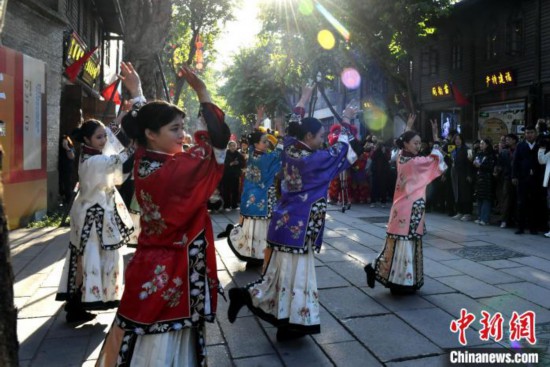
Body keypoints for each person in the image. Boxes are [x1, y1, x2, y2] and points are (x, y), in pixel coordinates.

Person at [95, 64, 230, 366]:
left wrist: (138, 93)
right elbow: (217, 143)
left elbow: (144, 126)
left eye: (182, 128)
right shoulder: (176, 170)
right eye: (176, 129)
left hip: (150, 264)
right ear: (151, 135)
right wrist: (203, 93)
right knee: (168, 341)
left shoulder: (146, 159)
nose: (184, 136)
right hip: (176, 268)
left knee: (139, 333)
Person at [226, 86, 357, 342]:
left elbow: (294, 124)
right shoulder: (313, 160)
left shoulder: (289, 148)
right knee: (296, 277)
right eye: (320, 136)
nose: (322, 141)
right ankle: (291, 321)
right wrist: (347, 120)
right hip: (300, 227)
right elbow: (341, 150)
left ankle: (281, 317)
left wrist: (303, 100)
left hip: (283, 223)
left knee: (280, 275)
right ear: (309, 136)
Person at [55, 64, 138, 323]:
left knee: (84, 258)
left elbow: (114, 139)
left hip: (90, 213)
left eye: (104, 136)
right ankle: (81, 302)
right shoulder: (95, 162)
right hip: (94, 217)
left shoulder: (92, 154)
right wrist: (137, 145)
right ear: (89, 140)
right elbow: (121, 160)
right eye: (100, 137)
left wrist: (123, 119)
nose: (105, 140)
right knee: (89, 258)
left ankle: (77, 304)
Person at [364, 117, 446, 294]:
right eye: (415, 143)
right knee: (405, 245)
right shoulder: (415, 162)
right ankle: (401, 281)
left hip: (401, 208)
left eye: (419, 143)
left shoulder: (402, 157)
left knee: (399, 245)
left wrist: (408, 129)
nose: (418, 146)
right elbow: (435, 159)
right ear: (406, 145)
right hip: (410, 210)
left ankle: (396, 278)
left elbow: (412, 149)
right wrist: (436, 138)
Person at [226, 123, 283, 266]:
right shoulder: (265, 158)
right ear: (256, 144)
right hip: (263, 197)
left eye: (267, 141)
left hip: (251, 198)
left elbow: (253, 137)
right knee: (262, 225)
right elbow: (279, 152)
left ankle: (251, 253)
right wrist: (280, 134)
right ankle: (260, 254)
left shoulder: (251, 153)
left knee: (252, 225)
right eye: (264, 141)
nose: (267, 143)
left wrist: (257, 122)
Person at [512, 125, 546, 235]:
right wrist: (514, 176)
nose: (529, 135)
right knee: (521, 203)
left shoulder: (541, 145)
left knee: (535, 203)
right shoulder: (520, 145)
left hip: (537, 178)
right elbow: (515, 161)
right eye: (527, 133)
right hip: (522, 178)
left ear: (535, 133)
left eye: (531, 132)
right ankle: (520, 227)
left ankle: (534, 227)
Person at [450, 133, 473, 221]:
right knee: (457, 193)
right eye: (456, 139)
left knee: (465, 194)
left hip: (464, 174)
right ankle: (460, 212)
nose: (457, 141)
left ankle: (467, 213)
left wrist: (469, 174)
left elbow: (470, 163)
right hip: (456, 174)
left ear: (462, 140)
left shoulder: (468, 149)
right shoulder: (453, 150)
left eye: (459, 139)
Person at [473, 138, 495, 226]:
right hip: (479, 178)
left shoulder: (491, 155)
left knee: (486, 198)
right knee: (479, 198)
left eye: (482, 143)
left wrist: (480, 166)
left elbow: (490, 167)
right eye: (480, 143)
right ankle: (480, 217)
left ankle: (485, 218)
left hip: (487, 179)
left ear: (487, 145)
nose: (481, 145)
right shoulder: (479, 154)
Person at [221, 140, 244, 211]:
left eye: (234, 146)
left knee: (235, 190)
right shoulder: (225, 154)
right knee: (226, 190)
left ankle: (234, 205)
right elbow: (222, 164)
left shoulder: (239, 154)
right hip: (226, 175)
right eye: (231, 146)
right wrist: (229, 164)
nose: (233, 147)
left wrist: (238, 163)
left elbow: (242, 163)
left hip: (235, 175)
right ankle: (226, 205)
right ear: (228, 147)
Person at [58, 134, 76, 205]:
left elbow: (72, 157)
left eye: (65, 141)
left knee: (67, 184)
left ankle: (68, 200)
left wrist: (66, 147)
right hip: (60, 168)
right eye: (62, 141)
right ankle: (62, 198)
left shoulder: (70, 147)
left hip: (68, 168)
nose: (64, 142)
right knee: (61, 185)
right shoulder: (59, 148)